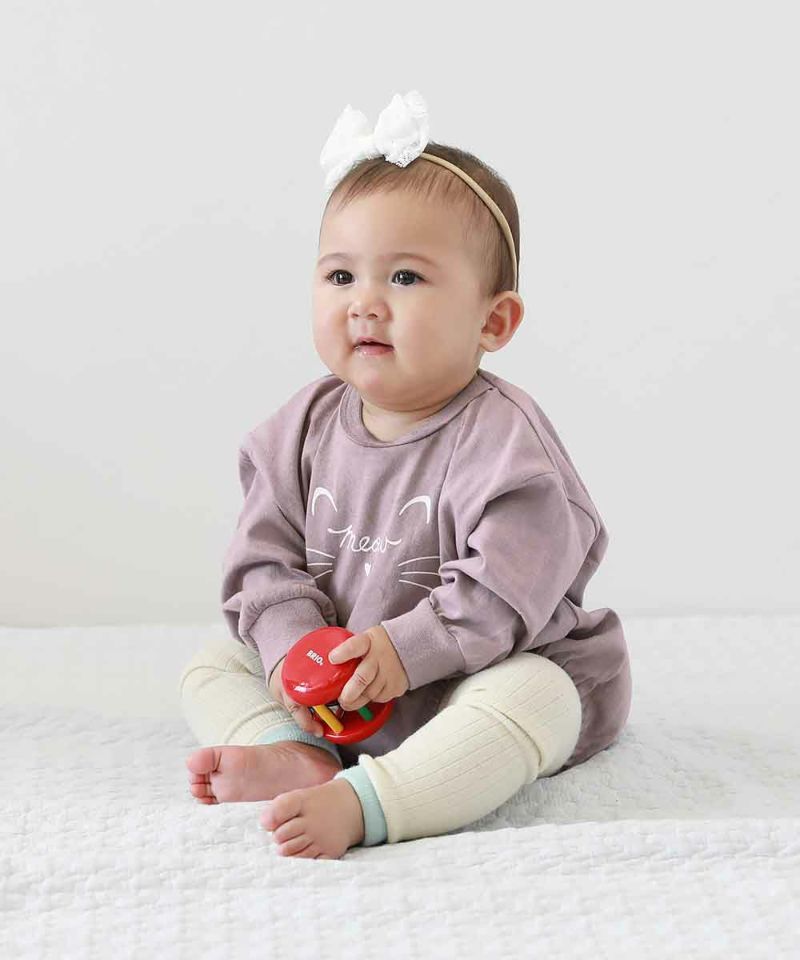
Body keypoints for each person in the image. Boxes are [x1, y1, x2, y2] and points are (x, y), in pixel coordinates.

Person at [180, 90, 632, 860]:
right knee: (215, 663)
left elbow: (504, 591)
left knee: (533, 697)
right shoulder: (297, 430)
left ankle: (375, 801)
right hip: (342, 693)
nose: (365, 304)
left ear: (493, 321)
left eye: (405, 279)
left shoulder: (506, 444)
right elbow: (262, 563)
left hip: (473, 675)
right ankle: (301, 752)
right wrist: (295, 651)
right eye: (340, 276)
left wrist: (403, 652)